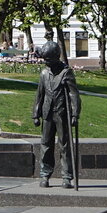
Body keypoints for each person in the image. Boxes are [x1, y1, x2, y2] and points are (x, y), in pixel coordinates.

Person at [32, 40, 81, 188]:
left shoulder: (66, 72)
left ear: (55, 57)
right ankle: (45, 174)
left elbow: (74, 95)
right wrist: (36, 113)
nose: (46, 63)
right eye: (44, 60)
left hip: (62, 114)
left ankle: (67, 176)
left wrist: (74, 114)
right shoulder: (44, 73)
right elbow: (39, 95)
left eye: (48, 60)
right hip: (47, 114)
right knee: (46, 144)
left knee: (65, 145)